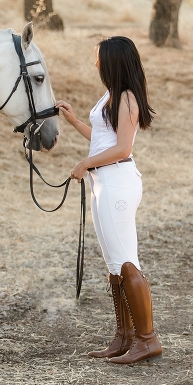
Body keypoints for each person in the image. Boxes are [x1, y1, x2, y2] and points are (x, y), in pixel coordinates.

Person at [55, 36, 162, 364]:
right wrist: (75, 122)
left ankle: (147, 340)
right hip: (104, 183)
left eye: (99, 58)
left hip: (117, 183)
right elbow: (105, 139)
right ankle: (125, 337)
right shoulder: (113, 96)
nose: (95, 63)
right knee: (115, 265)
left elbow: (123, 149)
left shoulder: (127, 98)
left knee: (127, 261)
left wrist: (85, 163)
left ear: (113, 61)